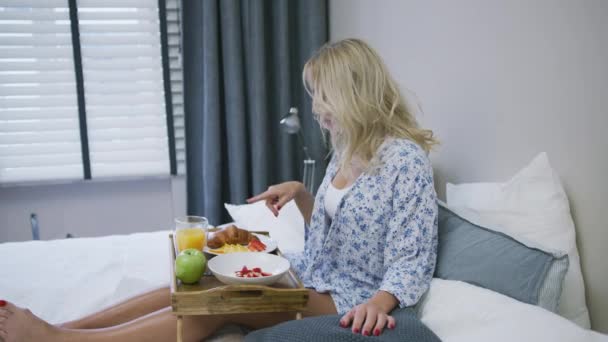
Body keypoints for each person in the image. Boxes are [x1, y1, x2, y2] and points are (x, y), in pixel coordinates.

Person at [0, 38, 438, 342]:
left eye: (323, 95)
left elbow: (410, 258)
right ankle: (66, 325)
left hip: (345, 298)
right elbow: (341, 232)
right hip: (314, 273)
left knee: (219, 302)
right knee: (195, 278)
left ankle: (58, 340)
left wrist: (380, 304)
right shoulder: (348, 149)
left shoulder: (404, 161)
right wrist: (303, 198)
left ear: (353, 92)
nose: (317, 108)